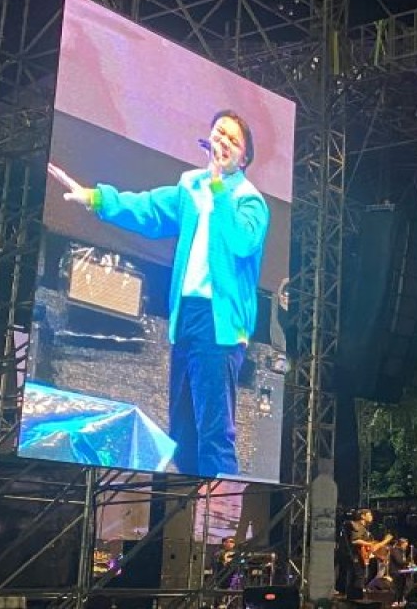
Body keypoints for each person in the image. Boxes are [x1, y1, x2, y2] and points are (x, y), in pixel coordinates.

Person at [47, 109, 270, 478]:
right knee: (184, 429)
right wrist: (95, 198)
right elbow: (148, 208)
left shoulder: (249, 200)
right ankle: (185, 517)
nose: (224, 142)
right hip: (188, 316)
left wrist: (218, 187)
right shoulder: (191, 187)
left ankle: (224, 527)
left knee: (215, 431)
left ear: (244, 158)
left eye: (233, 139)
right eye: (219, 133)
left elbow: (240, 242)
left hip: (221, 323)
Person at [342, 508, 391, 600]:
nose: (372, 517)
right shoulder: (358, 526)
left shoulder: (364, 528)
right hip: (356, 556)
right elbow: (355, 540)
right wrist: (372, 543)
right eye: (369, 514)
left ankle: (355, 597)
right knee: (358, 577)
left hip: (360, 556)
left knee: (358, 577)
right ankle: (355, 598)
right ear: (363, 516)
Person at [387, 537, 414, 605]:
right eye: (405, 545)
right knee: (398, 586)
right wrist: (408, 562)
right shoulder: (395, 550)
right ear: (401, 544)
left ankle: (401, 600)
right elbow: (399, 561)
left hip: (400, 571)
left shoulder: (401, 551)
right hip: (395, 571)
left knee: (403, 584)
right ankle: (396, 600)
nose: (406, 547)